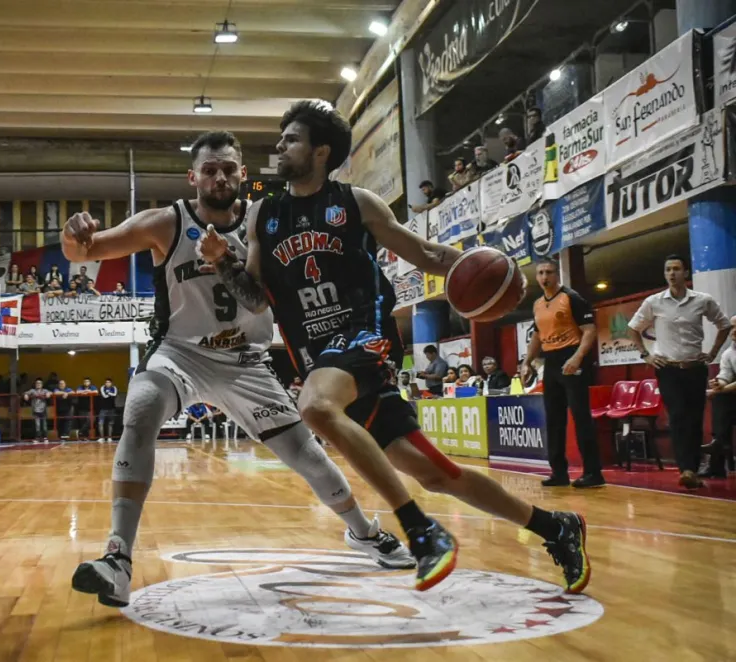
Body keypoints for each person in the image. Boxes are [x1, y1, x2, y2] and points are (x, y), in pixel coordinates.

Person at [201, 100, 589, 594]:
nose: (279, 146)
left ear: (321, 151)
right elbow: (256, 300)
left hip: (367, 337)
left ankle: (422, 531)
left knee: (315, 407)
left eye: (291, 138)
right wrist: (222, 263)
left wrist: (493, 269)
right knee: (435, 472)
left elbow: (425, 253)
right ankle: (556, 527)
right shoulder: (263, 214)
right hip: (320, 357)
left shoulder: (356, 203)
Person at [63, 130, 414, 608]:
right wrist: (73, 235)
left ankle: (364, 533)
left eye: (229, 168)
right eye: (210, 169)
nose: (220, 176)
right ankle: (118, 558)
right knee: (142, 405)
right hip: (181, 353)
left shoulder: (266, 223)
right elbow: (85, 251)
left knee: (309, 457)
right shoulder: (165, 222)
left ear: (243, 175)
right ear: (193, 178)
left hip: (247, 361)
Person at [627, 254, 731, 489]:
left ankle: (692, 469)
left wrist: (713, 352)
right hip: (668, 369)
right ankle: (685, 468)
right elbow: (633, 328)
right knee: (678, 416)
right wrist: (646, 355)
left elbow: (724, 324)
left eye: (676, 269)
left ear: (685, 273)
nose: (672, 273)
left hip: (695, 368)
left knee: (694, 419)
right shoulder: (654, 302)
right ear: (665, 274)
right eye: (668, 270)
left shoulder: (703, 300)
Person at [521, 257, 604, 488]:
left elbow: (589, 331)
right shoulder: (538, 304)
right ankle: (559, 473)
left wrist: (577, 358)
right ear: (536, 277)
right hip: (551, 361)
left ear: (556, 274)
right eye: (540, 273)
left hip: (572, 358)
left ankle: (593, 473)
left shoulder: (572, 298)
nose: (544, 277)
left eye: (548, 272)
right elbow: (537, 335)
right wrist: (527, 361)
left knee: (581, 417)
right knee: (554, 420)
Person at [702, 316, 736, 478]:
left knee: (719, 396)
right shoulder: (729, 353)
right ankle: (718, 449)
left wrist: (720, 390)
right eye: (732, 327)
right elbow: (726, 374)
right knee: (720, 399)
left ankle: (717, 449)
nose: (733, 331)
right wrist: (719, 383)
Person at [24, 378, 51, 443]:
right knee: (37, 425)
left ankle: (45, 437)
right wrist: (26, 395)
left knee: (44, 424)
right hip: (35, 410)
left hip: (43, 410)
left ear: (42, 384)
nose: (38, 384)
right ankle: (37, 438)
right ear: (35, 384)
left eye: (39, 383)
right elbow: (25, 393)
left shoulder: (44, 390)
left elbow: (49, 393)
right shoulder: (32, 391)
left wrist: (48, 394)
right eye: (37, 383)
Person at [98, 378, 118, 442]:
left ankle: (109, 437)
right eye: (106, 382)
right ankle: (102, 437)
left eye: (109, 382)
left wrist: (108, 393)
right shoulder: (102, 387)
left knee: (110, 423)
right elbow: (104, 396)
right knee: (100, 423)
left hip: (111, 408)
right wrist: (110, 394)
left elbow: (115, 394)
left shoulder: (114, 388)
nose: (107, 383)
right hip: (103, 408)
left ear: (111, 383)